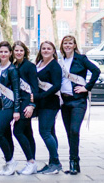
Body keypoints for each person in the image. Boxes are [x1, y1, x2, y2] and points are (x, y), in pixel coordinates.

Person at [58, 35, 100, 175]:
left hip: (78, 101)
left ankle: (73, 162)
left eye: (70, 43)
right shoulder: (61, 61)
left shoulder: (81, 59)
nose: (68, 45)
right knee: (69, 133)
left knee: (74, 130)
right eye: (65, 43)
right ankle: (74, 160)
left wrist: (87, 87)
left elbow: (96, 71)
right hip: (64, 101)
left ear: (75, 45)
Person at [0, 41, 22, 176]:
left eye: (6, 52)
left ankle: (10, 161)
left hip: (8, 105)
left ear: (10, 53)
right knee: (6, 134)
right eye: (1, 51)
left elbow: (16, 90)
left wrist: (16, 109)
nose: (3, 54)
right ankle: (9, 163)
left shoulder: (12, 70)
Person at [34, 41, 64, 175]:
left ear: (53, 51)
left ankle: (56, 162)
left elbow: (57, 86)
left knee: (44, 132)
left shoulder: (54, 66)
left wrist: (40, 96)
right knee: (50, 132)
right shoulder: (39, 64)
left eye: (48, 48)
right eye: (43, 48)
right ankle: (52, 162)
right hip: (42, 103)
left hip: (50, 103)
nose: (45, 50)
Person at [11, 41, 38, 176]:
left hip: (26, 103)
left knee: (18, 131)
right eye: (16, 50)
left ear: (25, 51)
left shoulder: (30, 66)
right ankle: (31, 163)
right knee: (28, 133)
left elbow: (34, 87)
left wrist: (32, 105)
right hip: (18, 101)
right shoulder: (14, 66)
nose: (18, 53)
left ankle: (31, 162)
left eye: (21, 50)